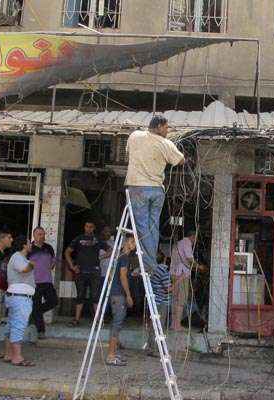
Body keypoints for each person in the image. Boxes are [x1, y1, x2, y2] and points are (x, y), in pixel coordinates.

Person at [125, 115, 185, 274]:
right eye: (166, 127)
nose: (167, 131)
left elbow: (129, 150)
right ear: (158, 126)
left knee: (143, 228)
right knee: (152, 228)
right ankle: (150, 264)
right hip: (156, 190)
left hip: (137, 188)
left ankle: (149, 265)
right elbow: (180, 161)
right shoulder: (166, 144)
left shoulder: (135, 136)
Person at [65, 222, 110, 326]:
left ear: (93, 228)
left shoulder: (97, 239)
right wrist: (72, 266)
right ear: (84, 227)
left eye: (91, 227)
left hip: (94, 271)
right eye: (86, 226)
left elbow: (111, 250)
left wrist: (101, 257)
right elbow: (67, 252)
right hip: (80, 271)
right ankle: (76, 319)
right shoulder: (78, 238)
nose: (88, 228)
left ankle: (98, 320)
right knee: (80, 295)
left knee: (95, 296)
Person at [4, 236, 36, 367]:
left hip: (18, 296)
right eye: (29, 243)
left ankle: (9, 354)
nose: (31, 245)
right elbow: (24, 270)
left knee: (12, 325)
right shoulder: (18, 257)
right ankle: (17, 357)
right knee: (18, 325)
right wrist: (32, 264)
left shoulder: (20, 258)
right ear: (24, 245)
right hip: (20, 297)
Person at [106, 235, 135, 366]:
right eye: (131, 241)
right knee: (117, 324)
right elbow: (122, 277)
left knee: (116, 323)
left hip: (115, 293)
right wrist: (128, 295)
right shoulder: (124, 258)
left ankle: (114, 352)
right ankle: (111, 356)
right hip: (119, 295)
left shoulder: (119, 257)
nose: (134, 244)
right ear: (125, 243)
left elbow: (112, 275)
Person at [28, 227, 57, 339]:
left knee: (53, 301)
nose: (42, 236)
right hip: (34, 282)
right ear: (34, 235)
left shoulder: (48, 248)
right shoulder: (29, 248)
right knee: (36, 305)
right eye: (39, 234)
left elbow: (53, 262)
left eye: (43, 234)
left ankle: (34, 313)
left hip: (47, 281)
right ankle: (41, 331)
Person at [170, 231, 197, 331]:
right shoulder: (187, 242)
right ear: (192, 236)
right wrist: (198, 266)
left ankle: (173, 324)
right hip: (182, 275)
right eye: (195, 238)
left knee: (175, 300)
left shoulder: (177, 244)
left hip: (173, 273)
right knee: (181, 301)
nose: (195, 241)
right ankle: (177, 325)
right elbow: (190, 258)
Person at [146, 252, 171, 357]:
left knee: (154, 325)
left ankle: (151, 348)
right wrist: (180, 279)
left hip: (154, 300)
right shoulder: (163, 271)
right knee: (159, 326)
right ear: (165, 259)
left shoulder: (153, 269)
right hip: (161, 302)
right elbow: (168, 289)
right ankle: (156, 350)